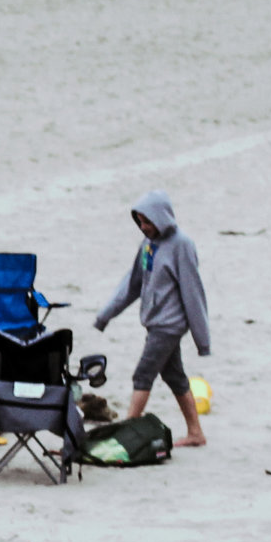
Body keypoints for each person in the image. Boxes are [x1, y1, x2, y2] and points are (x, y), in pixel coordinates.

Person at [91, 189, 211, 448]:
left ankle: (125, 435)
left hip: (169, 326)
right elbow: (132, 284)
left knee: (143, 375)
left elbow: (194, 293)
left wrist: (203, 341)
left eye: (148, 221)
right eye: (140, 222)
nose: (143, 227)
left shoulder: (183, 245)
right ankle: (195, 433)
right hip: (154, 322)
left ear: (162, 218)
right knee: (175, 376)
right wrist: (105, 315)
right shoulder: (147, 246)